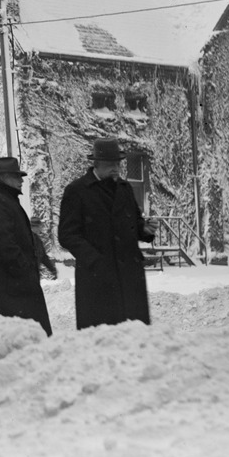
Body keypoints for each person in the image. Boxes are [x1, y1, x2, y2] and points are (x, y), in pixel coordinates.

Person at [57, 138, 157, 330]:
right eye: (110, 164)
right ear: (96, 164)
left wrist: (144, 230)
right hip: (98, 277)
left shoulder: (124, 188)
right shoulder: (77, 191)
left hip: (129, 274)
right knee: (102, 337)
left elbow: (134, 222)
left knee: (134, 333)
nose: (116, 169)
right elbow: (67, 234)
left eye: (118, 164)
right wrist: (94, 259)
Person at [0, 157, 52, 336]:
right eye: (16, 177)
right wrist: (25, 271)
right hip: (7, 290)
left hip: (10, 288)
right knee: (16, 343)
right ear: (3, 178)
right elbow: (4, 245)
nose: (21, 181)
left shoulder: (4, 201)